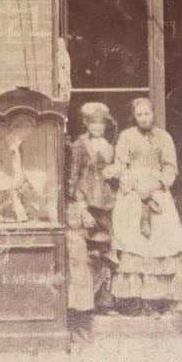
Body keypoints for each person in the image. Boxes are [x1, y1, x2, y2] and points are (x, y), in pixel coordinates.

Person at [108, 97, 182, 314]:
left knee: (158, 243)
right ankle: (132, 301)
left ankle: (157, 300)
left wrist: (158, 184)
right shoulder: (126, 137)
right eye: (139, 115)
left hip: (157, 192)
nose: (144, 118)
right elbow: (121, 166)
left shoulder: (164, 137)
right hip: (133, 194)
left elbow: (170, 167)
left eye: (147, 114)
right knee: (134, 243)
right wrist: (134, 185)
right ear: (134, 117)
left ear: (153, 114)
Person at [68, 101, 117, 309]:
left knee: (106, 249)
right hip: (86, 200)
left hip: (106, 202)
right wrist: (79, 202)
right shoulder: (79, 144)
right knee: (88, 250)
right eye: (93, 123)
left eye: (101, 124)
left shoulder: (109, 146)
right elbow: (74, 175)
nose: (97, 127)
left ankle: (103, 297)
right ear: (86, 124)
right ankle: (87, 300)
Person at [65, 193, 97, 342]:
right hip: (69, 245)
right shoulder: (63, 205)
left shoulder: (78, 206)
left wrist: (83, 211)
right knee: (72, 286)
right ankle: (72, 328)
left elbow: (91, 224)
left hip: (78, 247)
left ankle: (80, 327)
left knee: (81, 284)